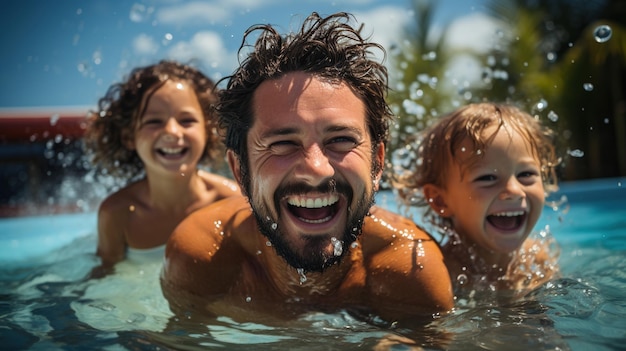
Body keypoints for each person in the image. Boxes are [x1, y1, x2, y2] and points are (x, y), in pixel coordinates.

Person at [161, 12, 453, 325]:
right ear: (239, 172)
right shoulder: (203, 259)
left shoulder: (408, 271)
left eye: (340, 140)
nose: (316, 169)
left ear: (377, 163)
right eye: (283, 144)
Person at [392, 102, 561, 300]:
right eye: (487, 178)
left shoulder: (538, 259)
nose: (514, 191)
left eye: (526, 174)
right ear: (440, 201)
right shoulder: (442, 273)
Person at [83, 60, 240, 269]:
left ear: (208, 130)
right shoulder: (117, 215)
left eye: (186, 120)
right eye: (153, 122)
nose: (172, 132)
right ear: (129, 136)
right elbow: (104, 282)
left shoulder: (231, 201)